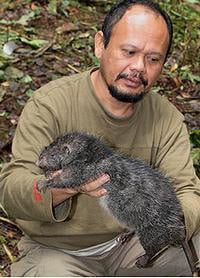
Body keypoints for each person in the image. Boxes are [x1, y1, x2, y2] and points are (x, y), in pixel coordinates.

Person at [0, 0, 199, 276]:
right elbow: (12, 190)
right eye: (128, 52)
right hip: (59, 251)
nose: (139, 67)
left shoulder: (167, 118)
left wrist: (163, 217)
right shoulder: (51, 104)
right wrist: (70, 185)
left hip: (133, 241)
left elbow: (188, 192)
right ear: (100, 45)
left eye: (153, 59)